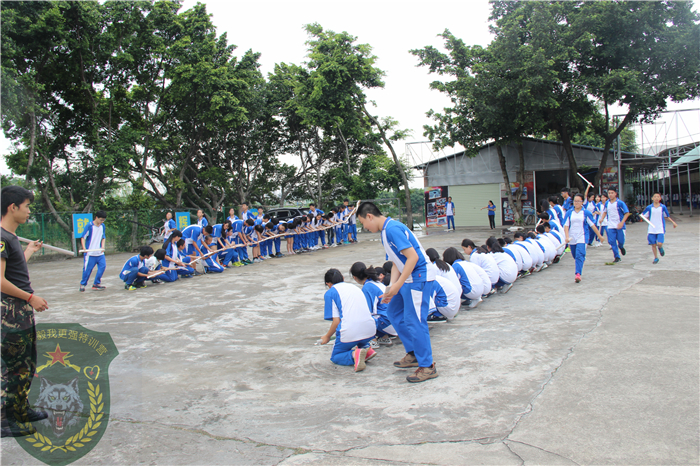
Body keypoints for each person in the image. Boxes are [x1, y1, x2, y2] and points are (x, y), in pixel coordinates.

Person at [357, 201, 438, 383]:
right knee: (393, 313)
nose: (364, 227)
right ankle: (413, 353)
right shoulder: (385, 232)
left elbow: (413, 257)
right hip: (408, 278)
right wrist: (391, 287)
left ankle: (428, 366)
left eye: (363, 223)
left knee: (415, 320)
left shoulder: (392, 229)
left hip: (419, 278)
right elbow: (396, 262)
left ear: (369, 216)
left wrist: (398, 284)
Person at [1, 186, 50, 438]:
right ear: (13, 207)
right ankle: (4, 419)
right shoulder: (1, 238)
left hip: (19, 311)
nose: (30, 211)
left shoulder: (10, 238)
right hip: (9, 313)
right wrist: (31, 297)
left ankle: (19, 408)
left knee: (26, 364)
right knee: (11, 366)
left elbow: (14, 272)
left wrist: (28, 251)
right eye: (27, 206)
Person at [319, 269, 377, 372]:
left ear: (328, 283)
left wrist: (327, 336)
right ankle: (366, 349)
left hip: (350, 332)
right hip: (370, 329)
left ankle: (354, 355)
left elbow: (336, 321)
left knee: (336, 356)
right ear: (343, 278)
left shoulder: (330, 292)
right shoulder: (354, 287)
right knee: (360, 338)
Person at [350, 262, 396, 346]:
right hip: (394, 319)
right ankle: (384, 337)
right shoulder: (375, 282)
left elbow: (368, 312)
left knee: (362, 317)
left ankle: (372, 340)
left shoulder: (367, 287)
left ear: (355, 278)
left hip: (388, 322)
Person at [563, 193, 604, 283]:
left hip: (582, 237)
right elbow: (566, 225)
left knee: (579, 255)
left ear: (582, 202)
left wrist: (599, 236)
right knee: (575, 255)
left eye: (578, 201)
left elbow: (592, 225)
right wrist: (566, 237)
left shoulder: (586, 213)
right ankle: (581, 260)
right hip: (572, 237)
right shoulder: (570, 212)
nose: (576, 203)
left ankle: (578, 274)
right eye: (575, 201)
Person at [641, 192, 678, 264]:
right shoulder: (649, 207)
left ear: (660, 198)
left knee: (660, 243)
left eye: (658, 197)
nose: (656, 198)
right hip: (652, 229)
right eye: (655, 197)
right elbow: (643, 216)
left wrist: (673, 222)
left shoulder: (663, 207)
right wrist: (649, 222)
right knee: (653, 244)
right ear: (652, 198)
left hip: (660, 228)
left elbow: (666, 216)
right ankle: (656, 257)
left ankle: (660, 248)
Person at [599, 188, 630, 263]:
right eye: (609, 193)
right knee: (612, 241)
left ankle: (621, 247)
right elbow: (605, 212)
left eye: (612, 193)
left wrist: (622, 222)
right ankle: (617, 256)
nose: (610, 194)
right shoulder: (607, 203)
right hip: (610, 225)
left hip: (619, 225)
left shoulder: (620, 203)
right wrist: (602, 218)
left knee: (621, 241)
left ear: (615, 194)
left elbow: (627, 213)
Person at [79, 210, 107, 292]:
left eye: (103, 220)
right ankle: (83, 284)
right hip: (90, 253)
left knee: (102, 267)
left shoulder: (102, 226)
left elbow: (103, 237)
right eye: (101, 220)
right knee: (88, 270)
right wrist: (84, 248)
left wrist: (102, 246)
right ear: (96, 218)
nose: (101, 222)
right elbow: (83, 237)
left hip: (100, 253)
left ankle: (96, 284)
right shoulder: (89, 226)